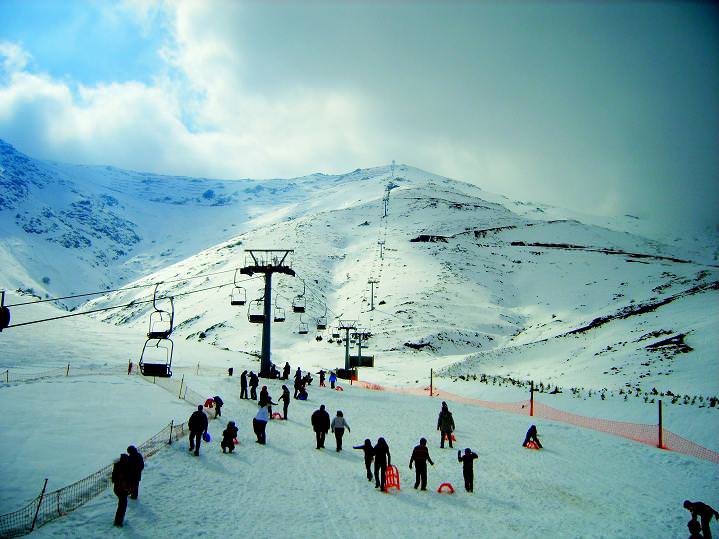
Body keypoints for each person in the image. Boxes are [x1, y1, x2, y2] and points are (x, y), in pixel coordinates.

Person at [111, 453, 131, 527]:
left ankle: (119, 520)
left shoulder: (117, 466)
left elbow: (113, 479)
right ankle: (118, 522)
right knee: (122, 506)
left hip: (117, 488)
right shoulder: (124, 468)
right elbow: (126, 479)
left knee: (122, 505)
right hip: (121, 489)